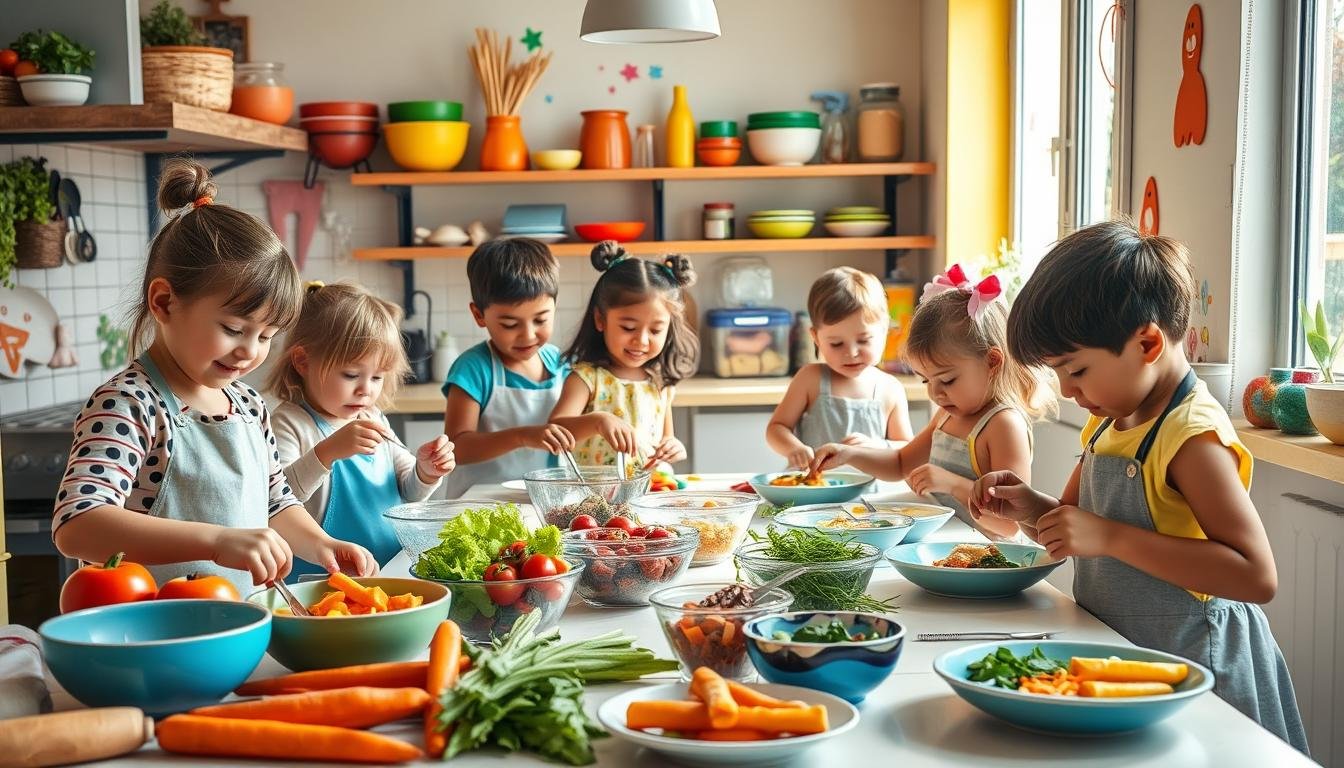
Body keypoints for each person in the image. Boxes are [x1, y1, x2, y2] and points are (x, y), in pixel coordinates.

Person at [970, 220, 1308, 753]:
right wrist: (1028, 505)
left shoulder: (1190, 436)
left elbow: (1255, 576)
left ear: (1147, 342)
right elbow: (1069, 524)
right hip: (1126, 658)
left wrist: (1108, 539)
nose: (1067, 390)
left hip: (1199, 666)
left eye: (1075, 369)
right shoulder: (1109, 421)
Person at [52, 159, 374, 594]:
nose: (250, 351)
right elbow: (78, 523)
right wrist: (217, 541)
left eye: (266, 336)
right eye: (233, 329)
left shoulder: (247, 404)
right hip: (148, 638)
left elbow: (275, 502)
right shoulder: (130, 404)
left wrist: (322, 545)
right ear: (164, 303)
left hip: (237, 626)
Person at [812, 264, 1049, 541]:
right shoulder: (947, 415)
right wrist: (849, 454)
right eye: (926, 381)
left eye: (947, 380)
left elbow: (1009, 525)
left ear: (992, 362)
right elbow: (901, 463)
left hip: (984, 556)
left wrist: (952, 484)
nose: (935, 393)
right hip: (942, 545)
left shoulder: (1003, 425)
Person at [267, 282, 455, 578]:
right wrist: (326, 453)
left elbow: (409, 492)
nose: (366, 390)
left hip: (389, 570)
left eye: (377, 377)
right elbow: (278, 498)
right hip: (323, 578)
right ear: (303, 362)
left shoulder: (373, 415)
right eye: (351, 374)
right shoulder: (291, 423)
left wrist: (426, 470)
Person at [549, 241, 698, 469]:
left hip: (648, 494)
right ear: (600, 320)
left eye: (656, 330)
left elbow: (665, 437)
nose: (642, 340)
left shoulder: (661, 382)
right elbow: (556, 431)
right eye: (628, 328)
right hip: (596, 498)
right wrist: (597, 421)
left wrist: (672, 444)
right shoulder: (586, 378)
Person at [441, 239, 572, 496]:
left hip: (541, 501)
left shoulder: (560, 363)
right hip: (479, 503)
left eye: (541, 319)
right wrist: (521, 436)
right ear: (479, 315)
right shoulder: (474, 368)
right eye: (510, 324)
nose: (528, 335)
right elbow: (457, 447)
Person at [766, 267, 914, 468]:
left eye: (863, 340)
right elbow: (776, 428)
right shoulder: (810, 379)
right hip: (813, 492)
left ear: (885, 330)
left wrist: (879, 446)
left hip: (869, 497)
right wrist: (794, 448)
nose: (852, 352)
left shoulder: (890, 388)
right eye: (836, 344)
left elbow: (907, 447)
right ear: (816, 338)